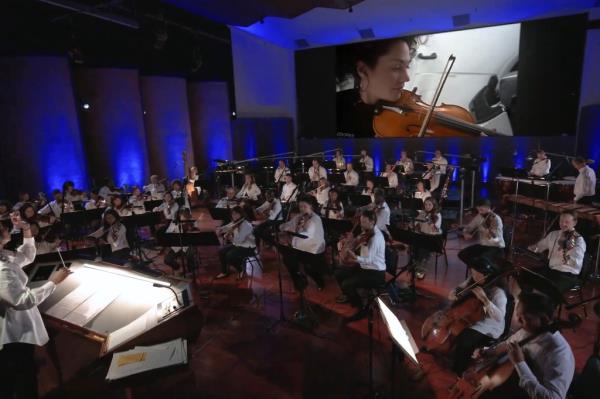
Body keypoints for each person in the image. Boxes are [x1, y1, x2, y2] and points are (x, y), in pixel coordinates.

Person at [0, 212, 70, 399]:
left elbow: (27, 256)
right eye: (2, 227)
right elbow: (22, 301)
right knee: (19, 376)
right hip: (12, 332)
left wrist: (25, 228)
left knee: (21, 371)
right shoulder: (1, 269)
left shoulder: (3, 254)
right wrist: (53, 282)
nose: (6, 227)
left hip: (16, 328)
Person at [470, 291, 574, 399]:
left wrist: (520, 363)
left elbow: (553, 397)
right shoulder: (529, 330)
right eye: (518, 316)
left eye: (524, 318)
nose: (519, 322)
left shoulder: (560, 354)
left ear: (544, 320)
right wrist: (488, 352)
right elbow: (508, 344)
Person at [336, 37, 414, 137]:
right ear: (363, 70)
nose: (407, 78)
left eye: (407, 66)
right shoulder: (336, 107)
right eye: (397, 67)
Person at [448, 258, 507, 375]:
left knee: (464, 339)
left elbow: (500, 317)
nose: (473, 275)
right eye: (472, 272)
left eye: (476, 273)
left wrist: (485, 299)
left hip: (490, 325)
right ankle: (453, 358)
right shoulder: (472, 281)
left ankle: (459, 371)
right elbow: (452, 293)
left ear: (485, 275)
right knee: (455, 332)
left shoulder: (498, 292)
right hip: (473, 318)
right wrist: (455, 293)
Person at [519, 210, 585, 298]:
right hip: (551, 269)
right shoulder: (554, 234)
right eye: (561, 221)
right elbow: (539, 246)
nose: (563, 224)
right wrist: (527, 249)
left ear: (574, 223)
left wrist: (567, 249)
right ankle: (528, 303)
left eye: (567, 222)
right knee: (524, 275)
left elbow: (576, 261)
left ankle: (544, 308)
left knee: (547, 288)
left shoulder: (578, 239)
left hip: (567, 275)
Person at [335, 210, 386, 321]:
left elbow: (369, 260)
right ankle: (350, 296)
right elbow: (358, 243)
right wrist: (348, 241)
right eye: (361, 221)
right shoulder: (366, 232)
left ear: (372, 221)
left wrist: (355, 258)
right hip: (364, 266)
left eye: (363, 222)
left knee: (346, 284)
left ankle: (361, 308)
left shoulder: (376, 237)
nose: (361, 224)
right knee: (339, 273)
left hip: (375, 272)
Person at [279, 196, 327, 291]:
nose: (302, 209)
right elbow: (289, 224)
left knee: (309, 267)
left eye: (304, 206)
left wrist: (291, 239)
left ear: (311, 206)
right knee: (288, 259)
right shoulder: (300, 216)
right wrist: (281, 227)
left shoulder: (316, 219)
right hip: (300, 246)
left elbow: (310, 236)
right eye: (300, 207)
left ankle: (319, 282)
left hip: (314, 249)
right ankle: (298, 281)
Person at [458, 199, 505, 268]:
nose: (480, 212)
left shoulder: (495, 219)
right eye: (478, 210)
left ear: (488, 208)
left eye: (481, 210)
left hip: (496, 247)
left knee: (483, 260)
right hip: (484, 246)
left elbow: (496, 240)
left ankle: (491, 273)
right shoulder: (479, 216)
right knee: (462, 254)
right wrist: (466, 233)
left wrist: (487, 229)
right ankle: (477, 273)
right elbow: (469, 227)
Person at [215, 206, 256, 279]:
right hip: (238, 245)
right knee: (221, 251)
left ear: (241, 214)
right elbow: (227, 227)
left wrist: (229, 236)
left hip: (248, 247)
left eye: (236, 214)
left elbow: (239, 240)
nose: (234, 216)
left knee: (229, 255)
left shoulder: (246, 225)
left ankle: (240, 269)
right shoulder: (235, 222)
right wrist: (220, 229)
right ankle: (224, 272)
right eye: (233, 214)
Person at [412, 197, 443, 279]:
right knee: (412, 247)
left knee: (424, 250)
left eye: (429, 204)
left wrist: (429, 220)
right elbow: (416, 223)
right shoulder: (423, 213)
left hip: (433, 238)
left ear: (434, 205)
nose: (427, 206)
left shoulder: (437, 215)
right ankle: (415, 266)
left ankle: (421, 270)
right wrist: (415, 223)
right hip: (423, 236)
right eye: (425, 204)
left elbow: (435, 229)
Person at [163, 208, 199, 275]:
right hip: (177, 246)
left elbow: (196, 235)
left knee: (190, 256)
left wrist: (191, 230)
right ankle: (177, 267)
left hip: (189, 245)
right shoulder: (174, 223)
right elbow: (168, 233)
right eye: (182, 216)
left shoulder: (193, 222)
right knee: (167, 260)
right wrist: (175, 229)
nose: (184, 218)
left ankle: (191, 271)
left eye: (186, 216)